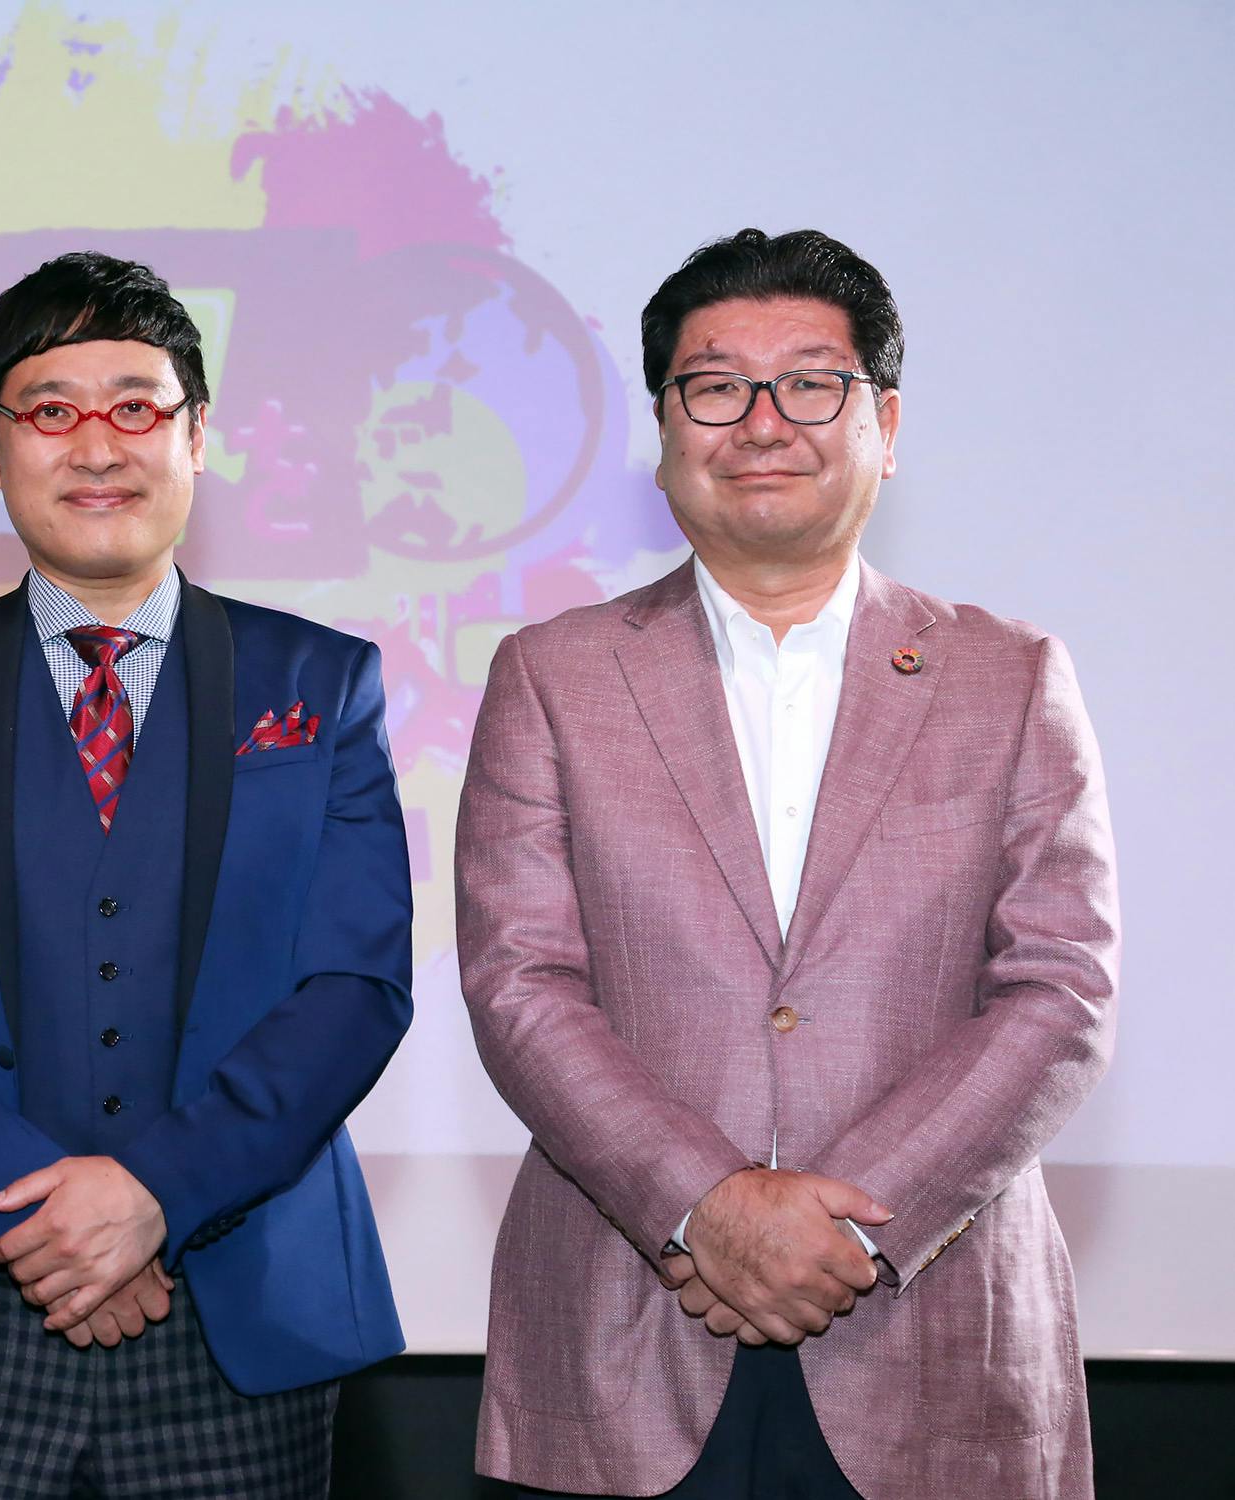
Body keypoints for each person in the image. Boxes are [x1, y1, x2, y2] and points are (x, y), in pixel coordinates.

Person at [456, 229, 1118, 1498]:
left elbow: (1062, 990)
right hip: (625, 1331)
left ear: (885, 423)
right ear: (665, 428)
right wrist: (708, 1203)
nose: (762, 422)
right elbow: (518, 983)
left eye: (811, 384)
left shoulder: (1010, 675)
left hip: (934, 1334)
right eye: (715, 386)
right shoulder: (552, 675)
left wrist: (843, 1226)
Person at [0, 251, 413, 1497]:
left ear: (196, 434)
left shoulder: (321, 683)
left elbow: (355, 986)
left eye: (135, 406)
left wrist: (157, 1195)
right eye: (51, 410)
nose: (97, 445)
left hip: (239, 1310)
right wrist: (47, 1222)